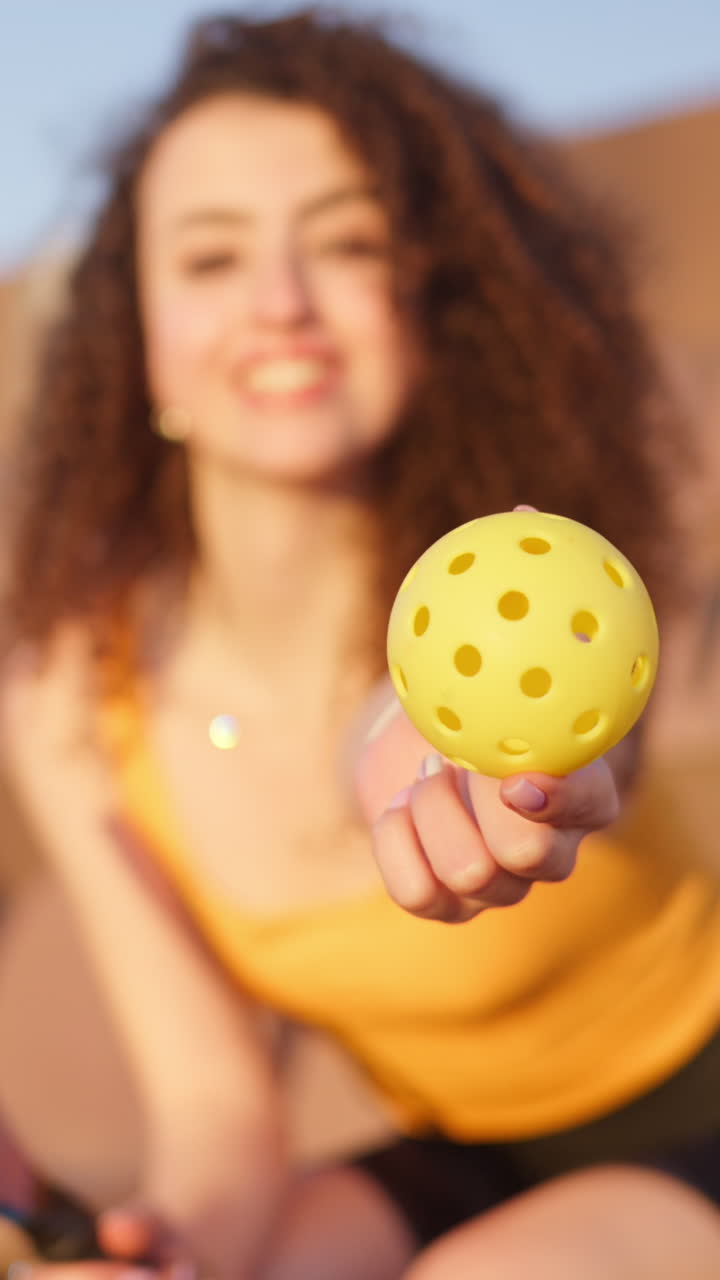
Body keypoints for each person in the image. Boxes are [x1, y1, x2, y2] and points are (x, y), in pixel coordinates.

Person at [0, 9, 719, 1279]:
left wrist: (429, 761)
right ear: (139, 337)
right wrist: (157, 1254)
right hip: (459, 1146)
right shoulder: (67, 690)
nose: (280, 304)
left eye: (343, 243)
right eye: (213, 259)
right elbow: (219, 1110)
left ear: (427, 302)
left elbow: (449, 729)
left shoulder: (526, 564)